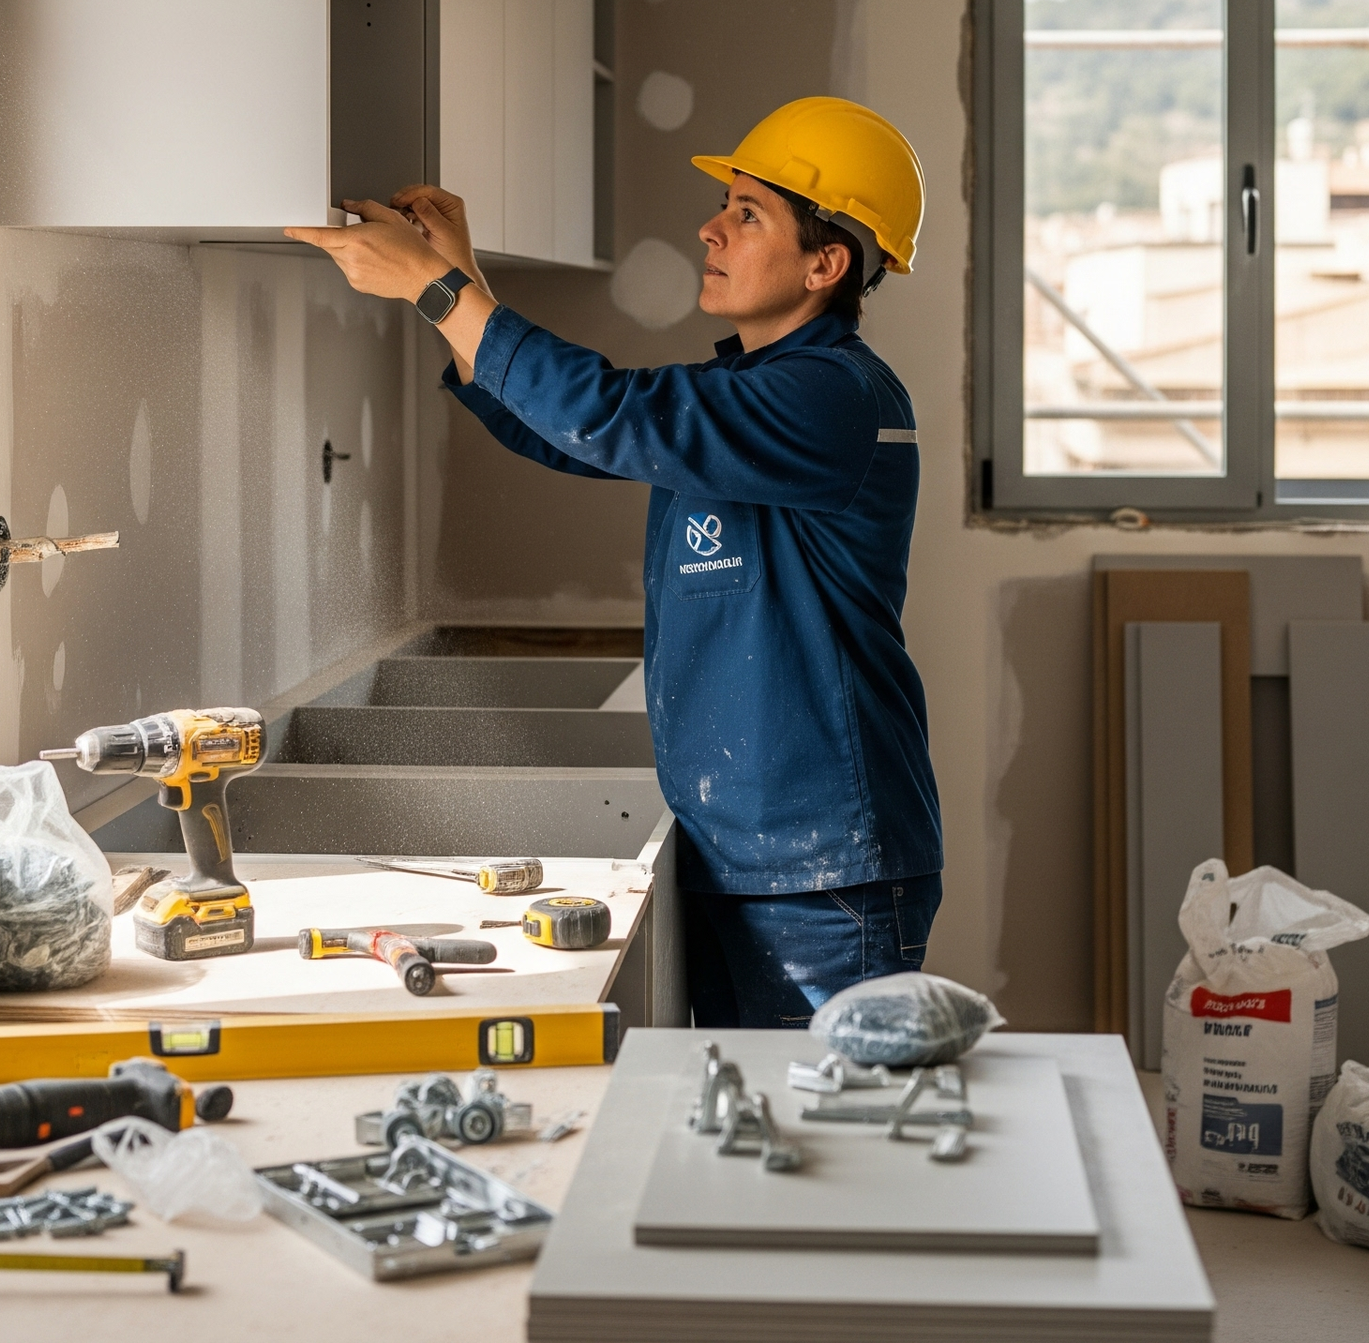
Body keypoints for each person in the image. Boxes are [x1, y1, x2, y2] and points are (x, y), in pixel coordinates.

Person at [287, 95, 940, 1028]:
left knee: (826, 1141)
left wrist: (438, 288)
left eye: (749, 214)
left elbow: (612, 414)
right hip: (755, 850)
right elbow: (572, 432)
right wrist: (458, 279)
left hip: (819, 870)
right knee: (748, 1135)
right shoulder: (750, 390)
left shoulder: (830, 398)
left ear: (825, 264)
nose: (710, 227)